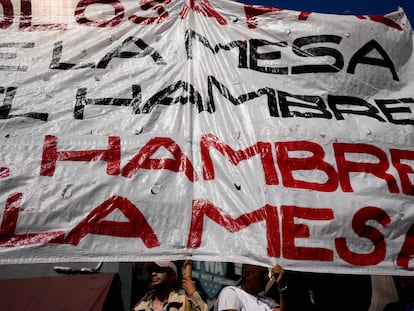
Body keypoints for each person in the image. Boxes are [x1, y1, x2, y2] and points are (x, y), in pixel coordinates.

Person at [132, 261, 208, 311]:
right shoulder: (140, 308)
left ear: (172, 276)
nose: (153, 273)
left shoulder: (184, 303)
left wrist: (193, 294)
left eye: (159, 269)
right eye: (151, 270)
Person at [214, 263, 288, 311]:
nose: (268, 278)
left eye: (267, 274)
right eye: (262, 273)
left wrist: (281, 285)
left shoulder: (268, 301)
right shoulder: (232, 292)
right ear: (248, 275)